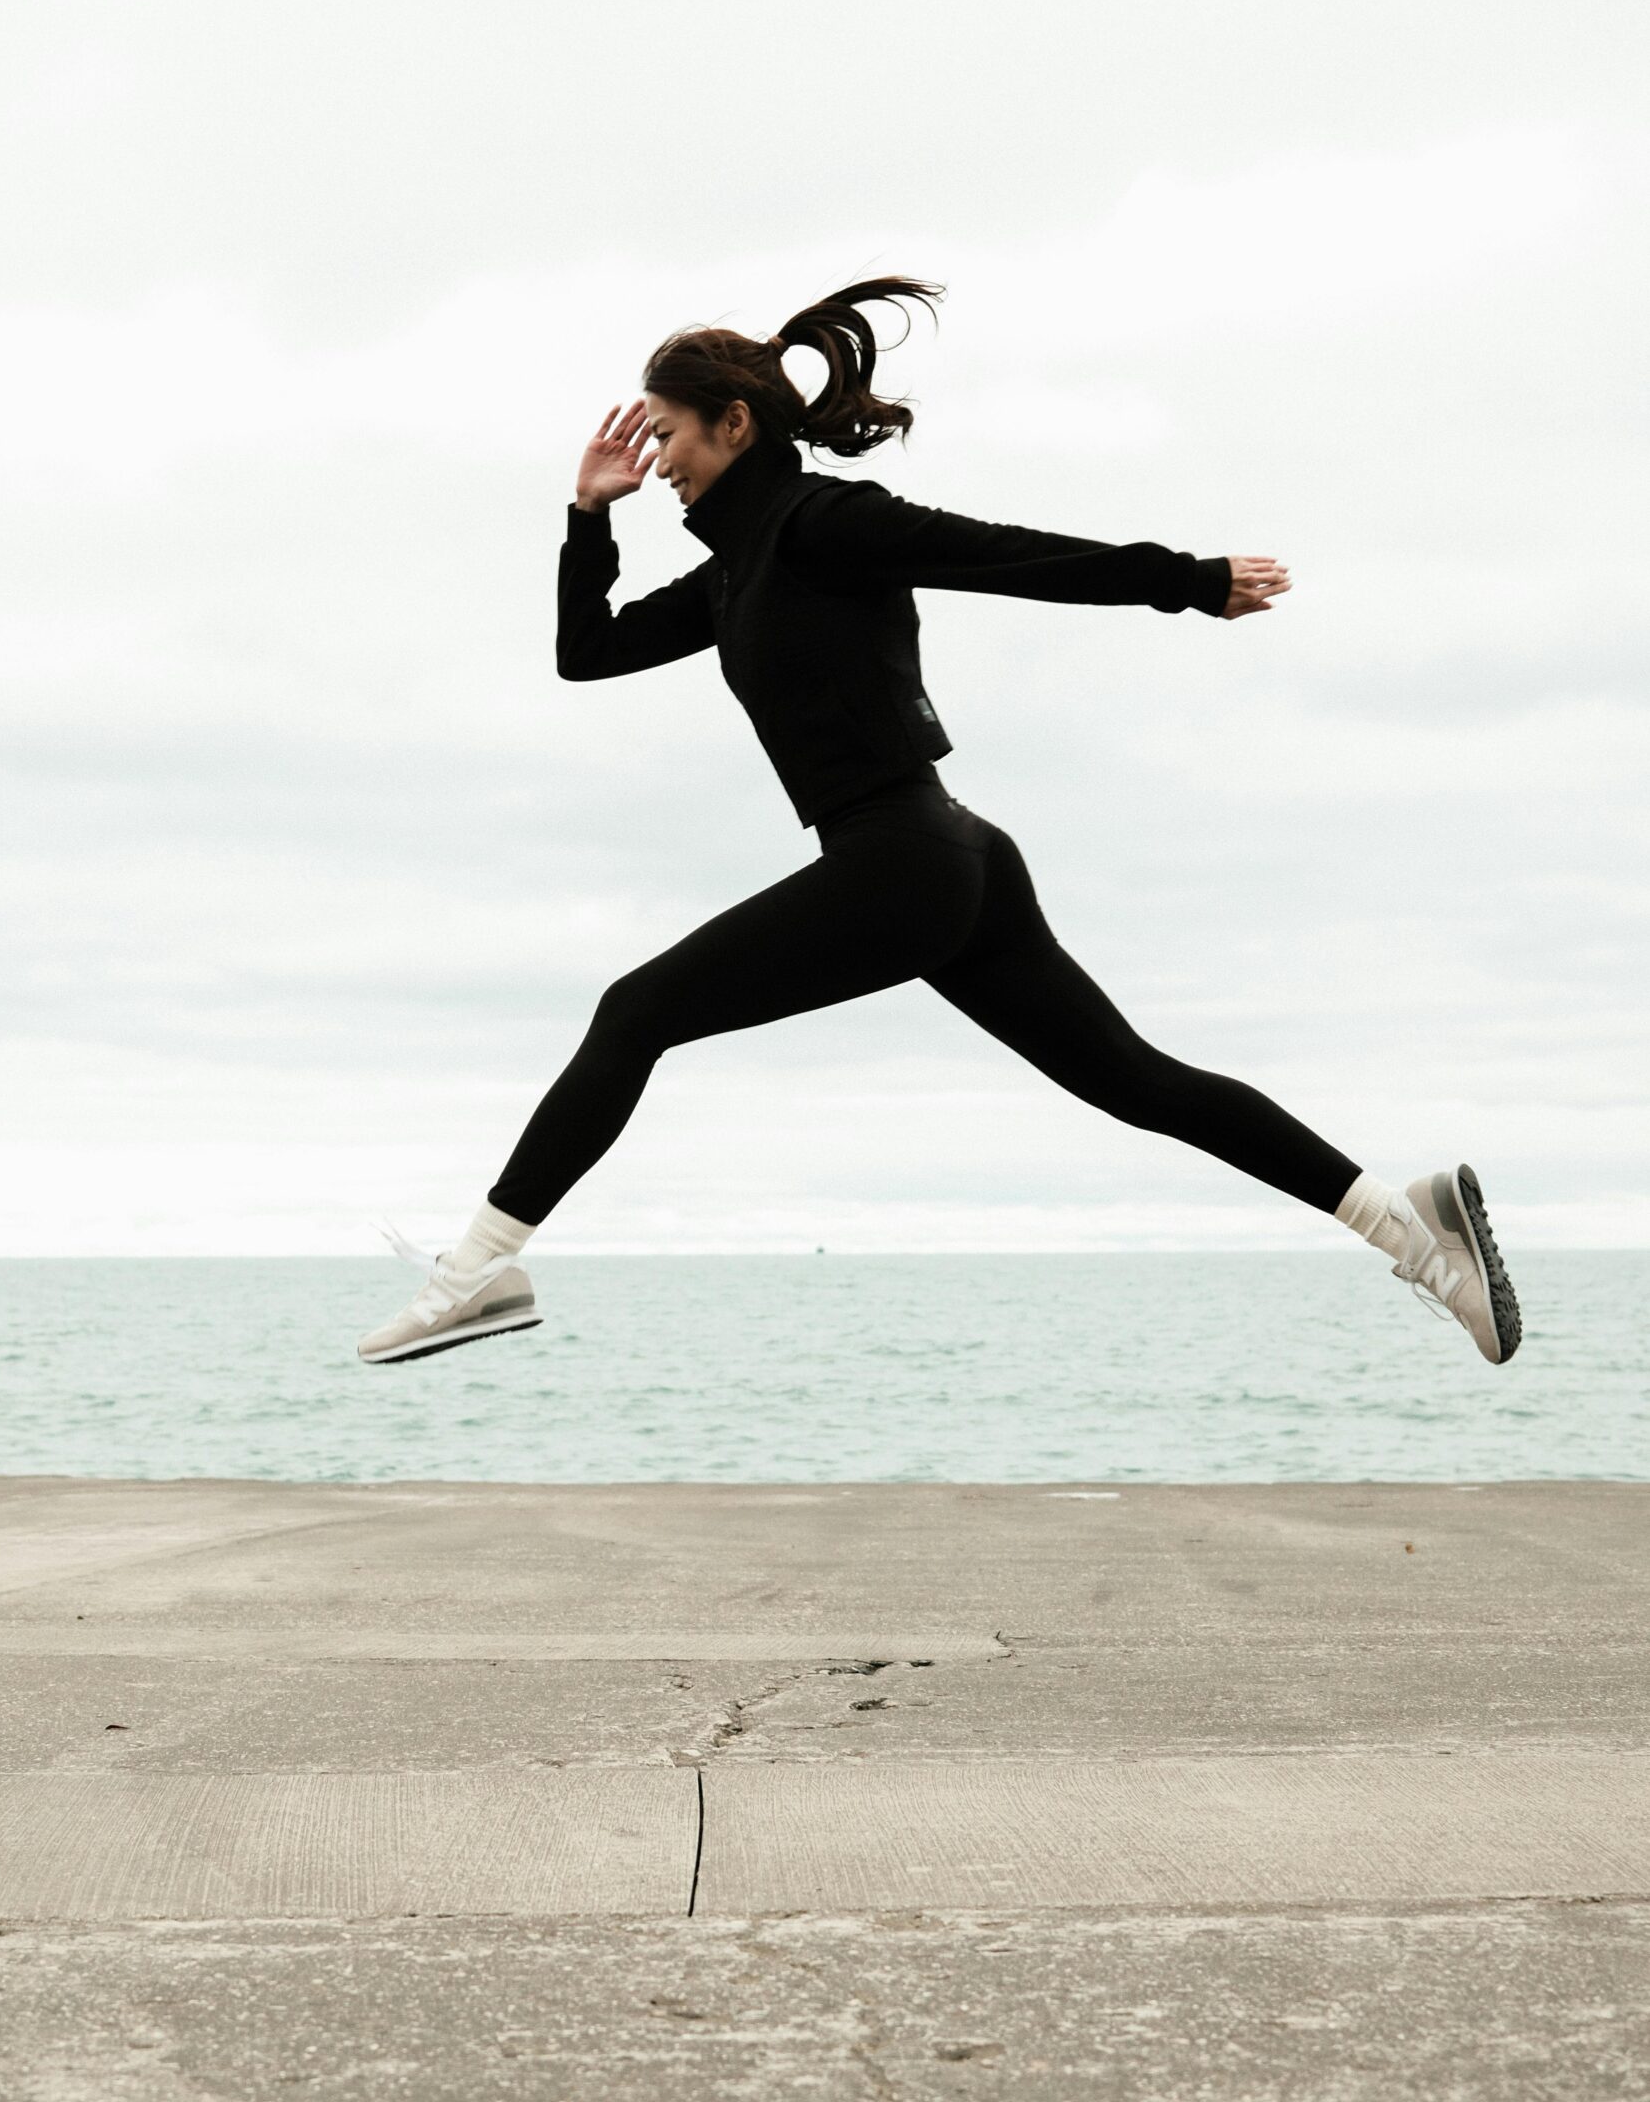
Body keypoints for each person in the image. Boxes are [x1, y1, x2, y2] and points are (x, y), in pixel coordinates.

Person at [357, 277, 1521, 1369]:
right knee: (1137, 1080)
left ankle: (476, 1273)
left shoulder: (821, 522)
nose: (652, 458)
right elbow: (586, 654)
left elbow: (999, 554)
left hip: (902, 859)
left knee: (635, 1010)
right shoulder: (734, 575)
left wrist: (1188, 577)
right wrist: (585, 515)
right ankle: (1416, 1236)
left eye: (665, 433)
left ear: (733, 428)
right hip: (947, 858)